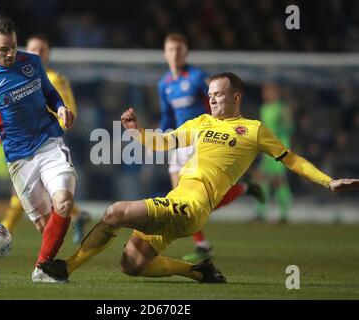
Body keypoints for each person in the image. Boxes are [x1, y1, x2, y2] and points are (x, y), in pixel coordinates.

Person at [38, 72, 359, 283]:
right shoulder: (201, 121)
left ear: (237, 97)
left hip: (194, 206)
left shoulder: (255, 130)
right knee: (131, 264)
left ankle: (66, 268)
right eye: (210, 94)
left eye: (219, 94)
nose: (213, 99)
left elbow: (292, 160)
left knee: (115, 212)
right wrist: (136, 132)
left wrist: (328, 181)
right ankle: (197, 271)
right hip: (176, 199)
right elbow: (163, 143)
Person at [0, 18, 76, 283]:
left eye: (13, 46)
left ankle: (41, 269)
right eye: (4, 49)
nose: (10, 53)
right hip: (19, 159)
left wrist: (59, 107)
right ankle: (46, 267)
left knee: (64, 202)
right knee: (44, 225)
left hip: (49, 143)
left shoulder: (32, 62)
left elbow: (50, 93)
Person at [158, 33, 264, 262]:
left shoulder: (197, 77)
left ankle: (240, 192)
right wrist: (161, 138)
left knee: (187, 201)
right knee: (180, 200)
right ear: (165, 53)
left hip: (200, 140)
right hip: (179, 143)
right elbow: (167, 115)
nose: (175, 54)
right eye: (171, 50)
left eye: (179, 50)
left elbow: (216, 101)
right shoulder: (164, 84)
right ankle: (204, 243)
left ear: (186, 53)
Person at [0, 34, 91, 243]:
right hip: (24, 144)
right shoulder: (17, 78)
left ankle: (1, 235)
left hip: (48, 143)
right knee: (30, 195)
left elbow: (69, 110)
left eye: (42, 50)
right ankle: (76, 216)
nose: (37, 53)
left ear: (48, 54)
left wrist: (48, 132)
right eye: (33, 49)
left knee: (25, 195)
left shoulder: (55, 78)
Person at [254, 83, 293, 223]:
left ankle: (284, 215)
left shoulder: (282, 108)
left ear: (276, 93)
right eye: (264, 91)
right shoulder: (264, 108)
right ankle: (260, 213)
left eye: (268, 91)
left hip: (280, 147)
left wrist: (285, 121)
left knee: (278, 180)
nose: (265, 94)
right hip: (267, 147)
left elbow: (290, 128)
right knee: (260, 178)